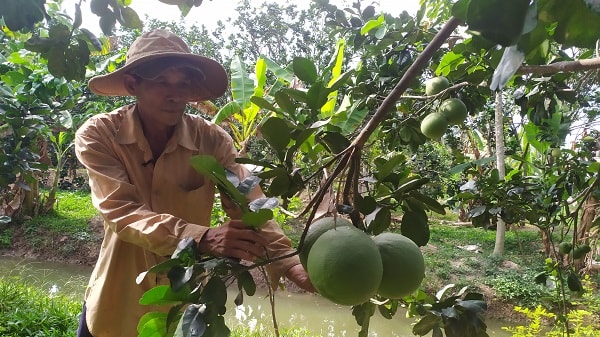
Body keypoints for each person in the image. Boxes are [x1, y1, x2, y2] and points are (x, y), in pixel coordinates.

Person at [74, 28, 314, 337]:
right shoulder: (99, 135)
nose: (175, 94)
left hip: (181, 307)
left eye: (183, 83)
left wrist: (289, 261)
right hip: (114, 303)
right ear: (133, 85)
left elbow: (249, 200)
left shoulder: (213, 141)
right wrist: (200, 238)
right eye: (161, 82)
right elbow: (122, 212)